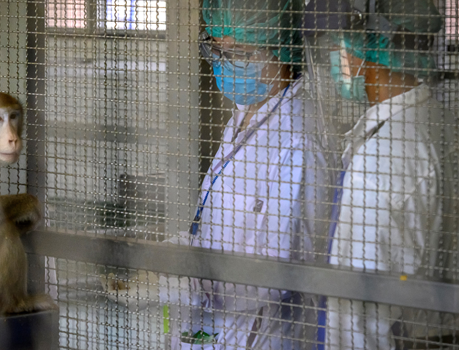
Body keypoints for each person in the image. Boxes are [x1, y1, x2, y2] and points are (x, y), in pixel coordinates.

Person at [123, 0, 335, 349]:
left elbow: (286, 270)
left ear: (279, 50)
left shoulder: (299, 137)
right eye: (217, 49)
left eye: (238, 52)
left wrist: (176, 283)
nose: (224, 64)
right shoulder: (246, 114)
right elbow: (215, 228)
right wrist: (160, 257)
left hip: (259, 333)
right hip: (211, 325)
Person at [303, 0, 456, 348]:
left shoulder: (379, 161)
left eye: (338, 44)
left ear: (366, 47)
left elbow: (355, 320)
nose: (334, 59)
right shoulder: (439, 122)